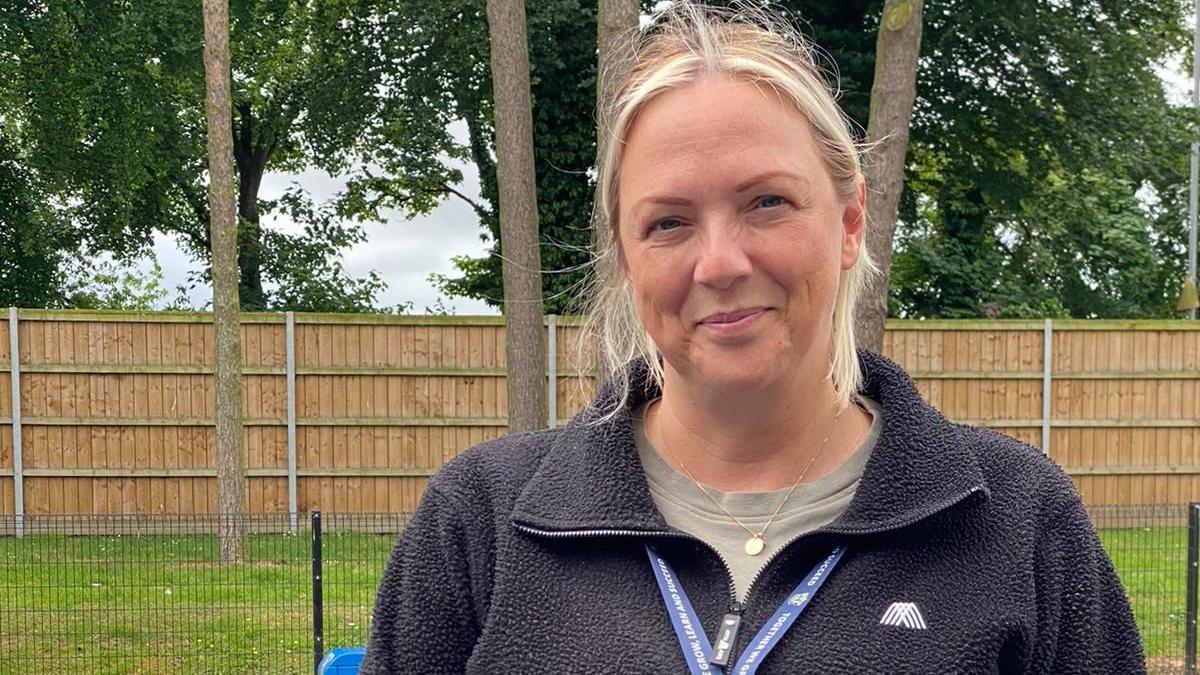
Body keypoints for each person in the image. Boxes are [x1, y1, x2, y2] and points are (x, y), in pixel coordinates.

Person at [362, 3, 1144, 673]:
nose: (721, 262)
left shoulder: (1017, 518)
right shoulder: (481, 523)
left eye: (767, 202)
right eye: (668, 222)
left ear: (847, 222)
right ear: (628, 258)